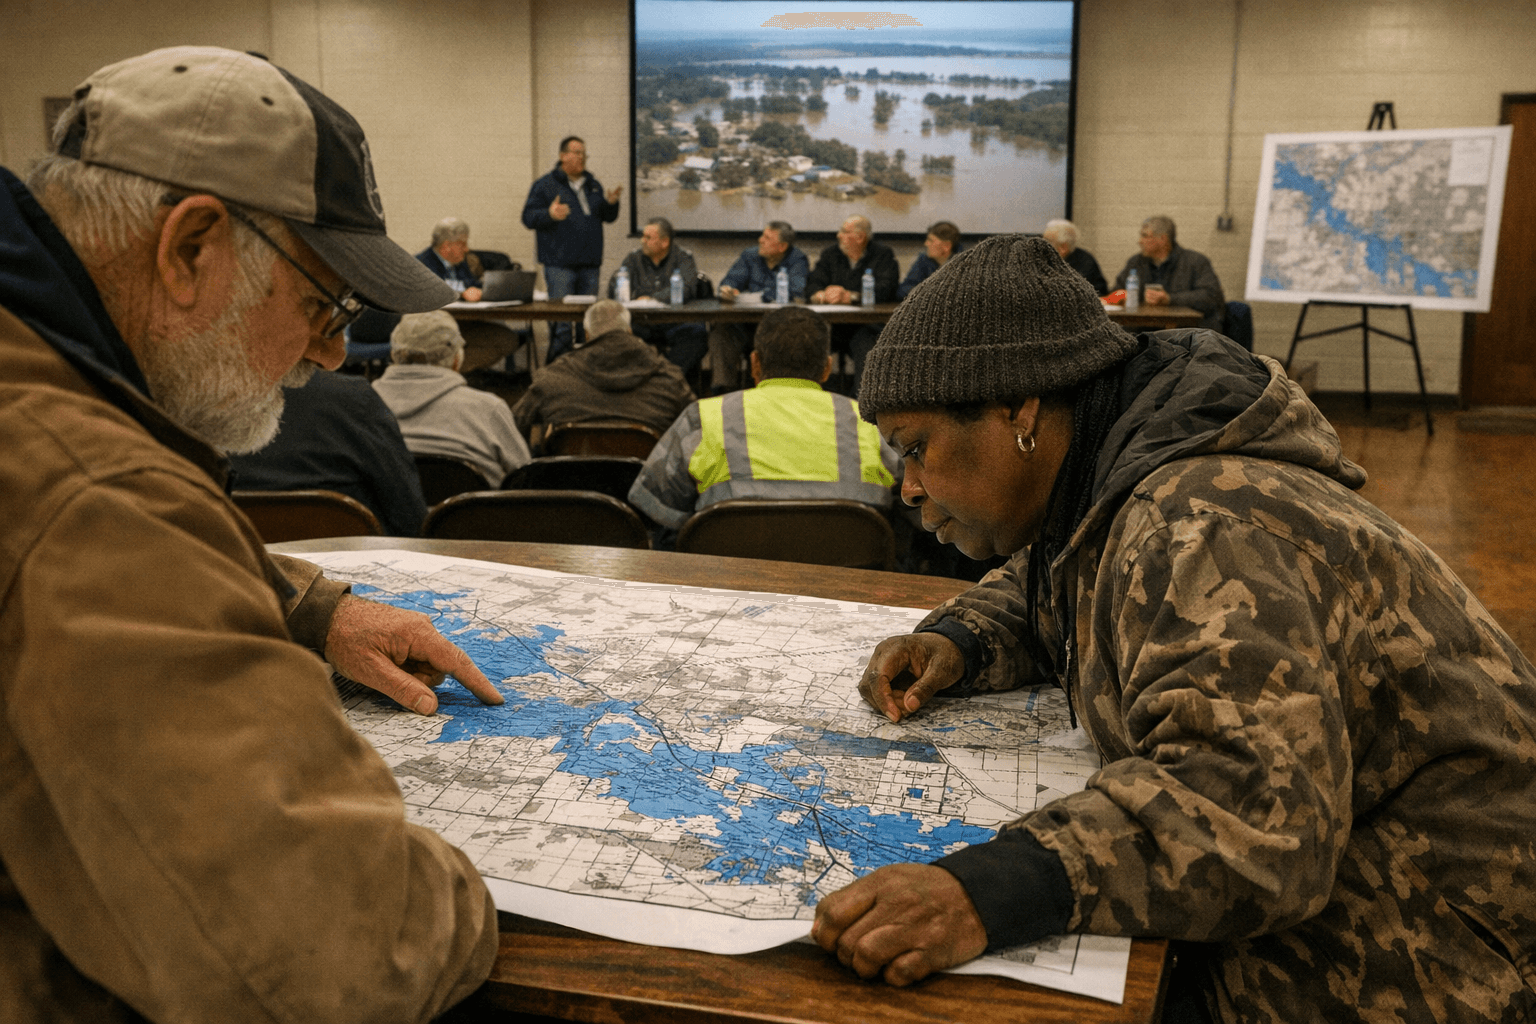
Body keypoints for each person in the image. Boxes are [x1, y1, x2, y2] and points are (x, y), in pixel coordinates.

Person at [808, 235, 1536, 1023]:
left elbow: (1252, 813)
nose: (909, 487)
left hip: (1440, 938)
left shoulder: (1197, 519)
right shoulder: (1120, 475)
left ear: (1019, 409)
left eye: (917, 449)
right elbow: (1064, 576)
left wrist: (982, 890)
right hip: (1381, 875)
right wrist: (964, 638)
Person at [2, 46, 505, 1022]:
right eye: (323, 304)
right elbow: (337, 960)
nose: (329, 353)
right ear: (190, 247)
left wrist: (312, 610)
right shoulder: (93, 489)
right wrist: (466, 885)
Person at [628, 306, 899, 543]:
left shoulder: (703, 417)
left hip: (729, 585)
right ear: (827, 368)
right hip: (849, 587)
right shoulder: (870, 423)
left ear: (755, 364)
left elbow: (657, 507)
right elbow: (915, 503)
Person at [230, 368, 431, 535]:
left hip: (240, 567)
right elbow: (409, 513)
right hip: (354, 570)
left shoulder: (215, 400)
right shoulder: (354, 397)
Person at [372, 310, 532, 487]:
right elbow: (525, 479)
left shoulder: (359, 406)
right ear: (457, 359)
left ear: (394, 354)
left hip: (388, 514)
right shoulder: (489, 409)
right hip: (473, 513)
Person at [512, 298, 694, 443]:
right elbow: (700, 432)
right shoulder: (670, 379)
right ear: (629, 331)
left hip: (570, 483)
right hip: (646, 483)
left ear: (588, 335)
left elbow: (512, 427)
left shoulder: (551, 379)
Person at [521, 135, 621, 362]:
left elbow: (606, 217)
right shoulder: (545, 185)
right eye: (576, 152)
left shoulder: (593, 185)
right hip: (560, 265)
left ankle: (585, 376)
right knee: (562, 326)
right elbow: (528, 218)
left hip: (590, 264)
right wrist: (549, 214)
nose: (581, 157)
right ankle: (557, 378)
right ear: (562, 156)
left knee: (588, 324)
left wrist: (611, 204)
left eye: (583, 153)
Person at [709, 221, 810, 394]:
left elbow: (796, 290)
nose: (760, 240)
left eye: (767, 238)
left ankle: (779, 392)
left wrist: (760, 296)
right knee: (721, 331)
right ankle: (723, 390)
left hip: (779, 327)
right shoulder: (750, 255)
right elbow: (731, 281)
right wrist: (728, 289)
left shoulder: (797, 259)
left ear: (782, 246)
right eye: (763, 235)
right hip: (746, 324)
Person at [806, 214, 900, 393]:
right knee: (808, 340)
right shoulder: (831, 253)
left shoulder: (882, 254)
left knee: (867, 346)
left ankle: (861, 405)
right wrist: (823, 295)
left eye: (844, 231)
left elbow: (887, 289)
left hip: (864, 325)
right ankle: (810, 399)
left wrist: (851, 297)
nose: (838, 235)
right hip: (832, 325)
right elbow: (811, 285)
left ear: (860, 237)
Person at [606, 216, 707, 377]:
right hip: (643, 322)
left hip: (675, 322)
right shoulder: (634, 258)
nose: (642, 241)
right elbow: (618, 288)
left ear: (665, 242)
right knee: (618, 334)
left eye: (648, 237)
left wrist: (652, 299)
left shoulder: (683, 258)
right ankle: (643, 381)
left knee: (697, 336)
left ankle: (666, 378)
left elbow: (686, 289)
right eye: (642, 236)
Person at [1113, 215, 1225, 330]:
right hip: (1142, 331)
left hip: (1186, 333)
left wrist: (1170, 299)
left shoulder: (1195, 262)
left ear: (1162, 239)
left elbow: (1212, 297)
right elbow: (1117, 291)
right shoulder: (1135, 263)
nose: (1140, 241)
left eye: (1145, 236)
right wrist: (1120, 296)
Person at [416, 216, 482, 301]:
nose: (466, 249)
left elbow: (474, 285)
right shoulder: (421, 265)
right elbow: (434, 291)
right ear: (447, 246)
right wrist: (462, 294)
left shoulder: (460, 262)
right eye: (463, 244)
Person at [1041, 217, 1108, 295]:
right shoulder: (1043, 260)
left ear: (1063, 247)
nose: (1042, 246)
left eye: (1047, 242)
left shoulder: (1085, 264)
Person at [897, 220, 962, 299]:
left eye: (931, 240)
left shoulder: (964, 264)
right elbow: (904, 289)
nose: (926, 243)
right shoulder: (923, 260)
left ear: (946, 246)